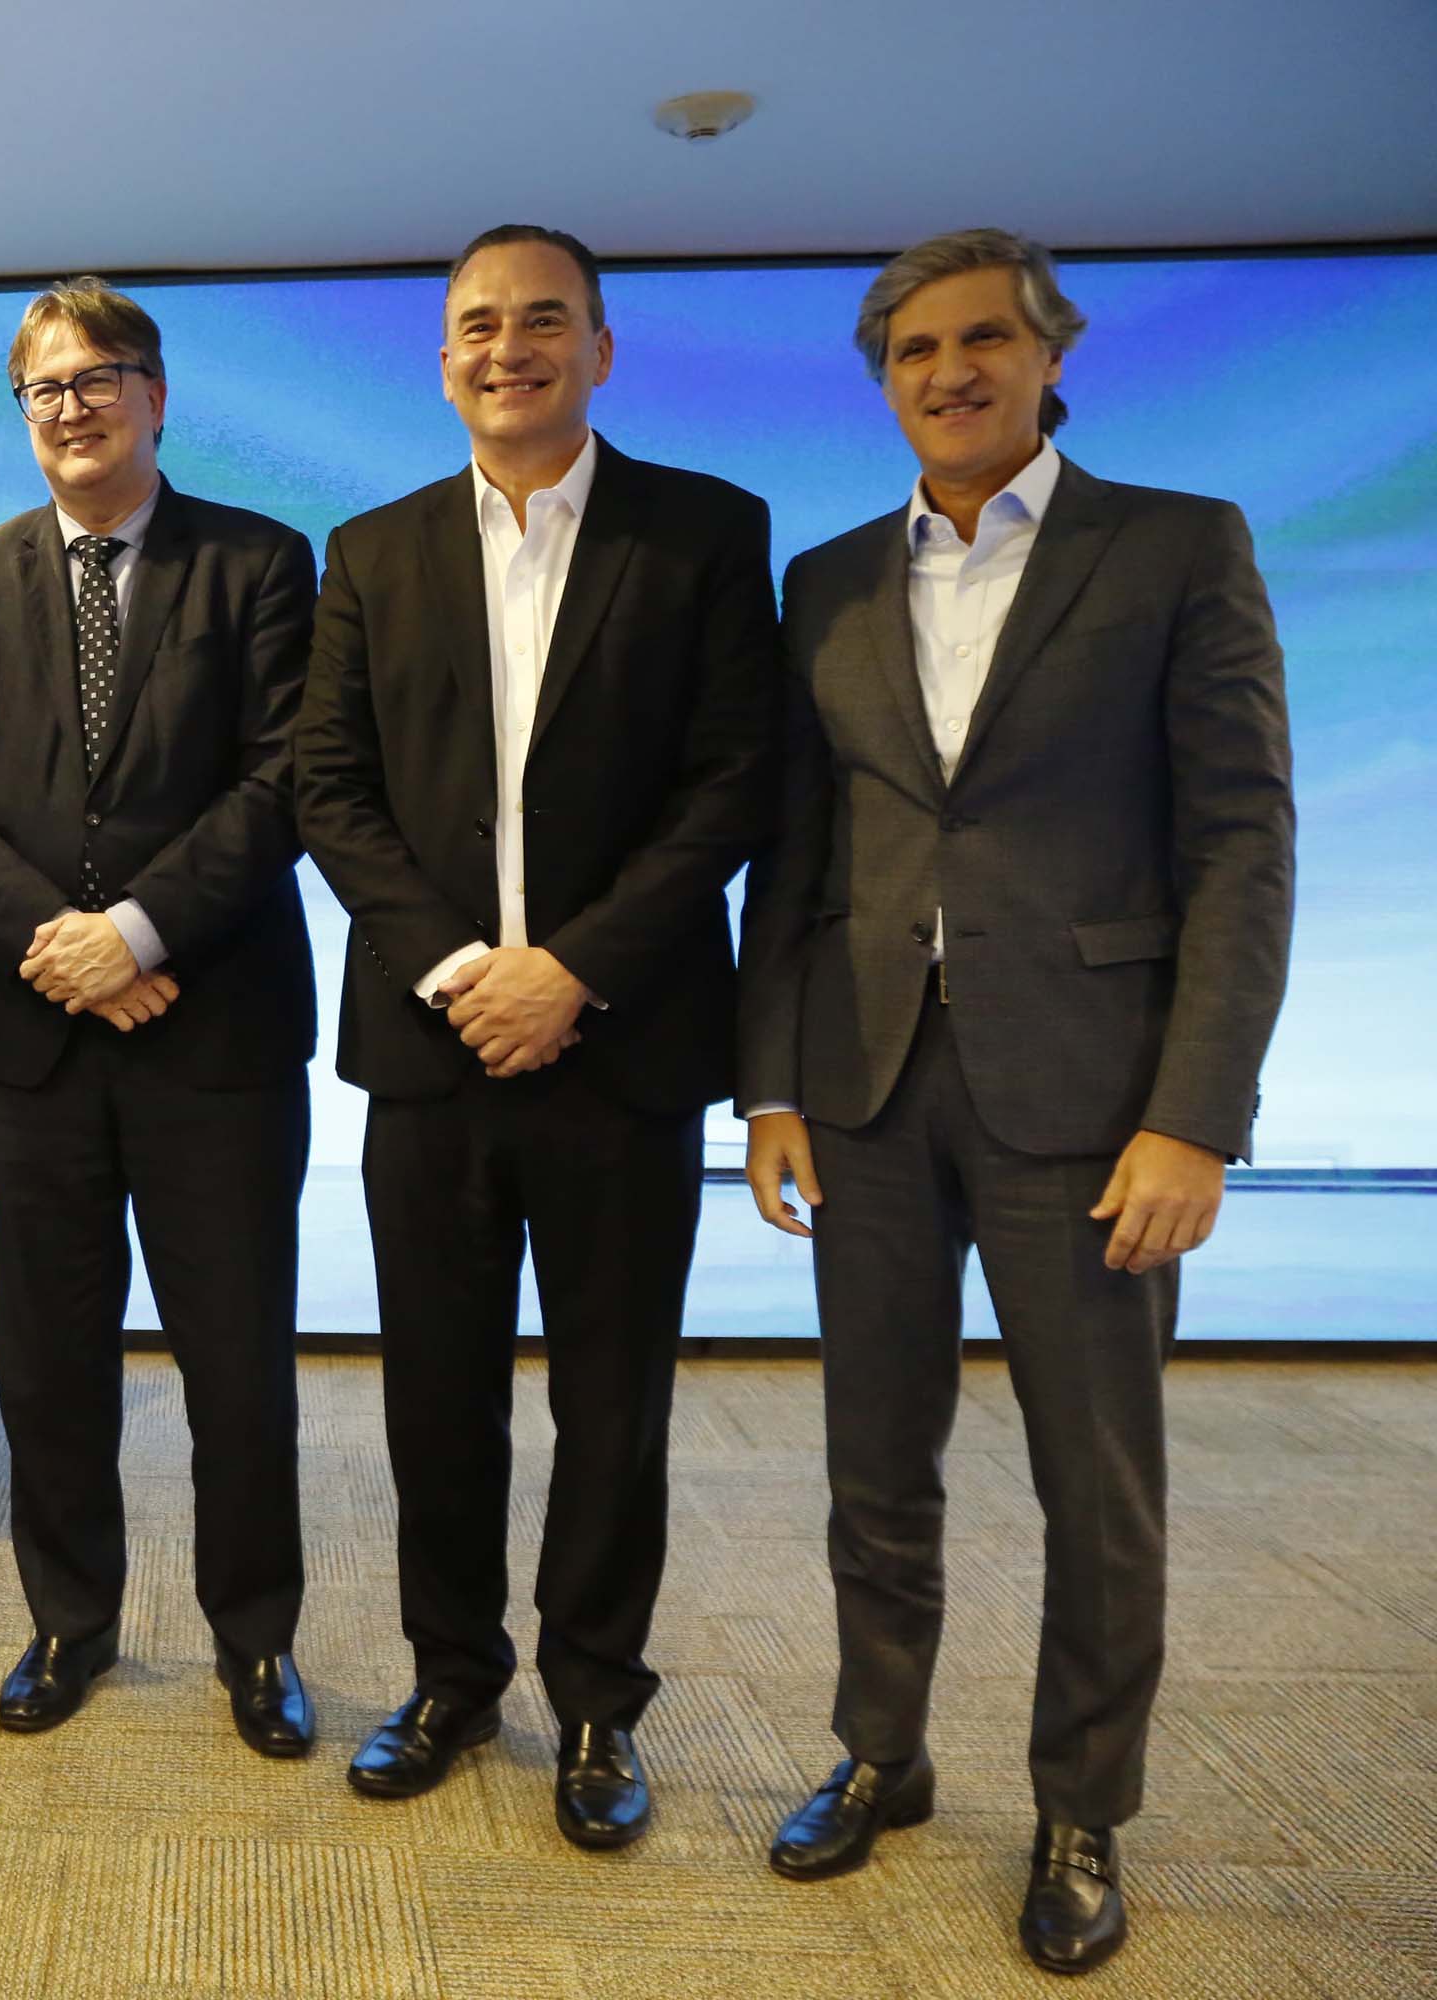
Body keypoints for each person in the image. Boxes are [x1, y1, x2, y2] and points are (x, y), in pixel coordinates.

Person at [738, 227, 1293, 1975]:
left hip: (1096, 1104)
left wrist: (1197, 1113)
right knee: (872, 1461)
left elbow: (1242, 845)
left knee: (1095, 1486)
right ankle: (880, 1754)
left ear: (1054, 354)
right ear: (884, 382)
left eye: (985, 340)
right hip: (869, 1089)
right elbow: (796, 860)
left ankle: (1080, 1811)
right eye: (915, 351)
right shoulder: (827, 581)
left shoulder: (1177, 546)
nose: (950, 372)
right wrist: (771, 1088)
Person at [294, 224, 779, 1845]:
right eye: (479, 326)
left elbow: (733, 780)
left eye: (545, 320)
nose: (510, 348)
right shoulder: (371, 551)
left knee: (612, 1404)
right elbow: (329, 789)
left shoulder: (703, 532)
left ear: (602, 350)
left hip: (622, 1051)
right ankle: (450, 1678)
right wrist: (459, 970)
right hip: (430, 1055)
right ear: (444, 362)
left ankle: (595, 1705)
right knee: (436, 1397)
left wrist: (573, 968)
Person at [0, 278, 320, 1756]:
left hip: (218, 1035)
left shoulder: (259, 563)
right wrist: (65, 948)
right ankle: (69, 1622)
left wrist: (136, 933)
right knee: (52, 1362)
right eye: (44, 387)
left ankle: (255, 1642)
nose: (70, 408)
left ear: (155, 395)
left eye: (97, 378)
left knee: (238, 1363)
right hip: (40, 1043)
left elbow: (282, 781)